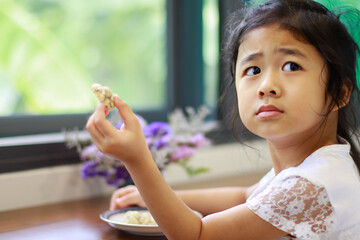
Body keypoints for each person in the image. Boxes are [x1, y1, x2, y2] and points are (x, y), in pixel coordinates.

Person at [86, 0, 360, 239]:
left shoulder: (314, 184)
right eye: (253, 69)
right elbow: (244, 197)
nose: (266, 85)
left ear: (339, 93)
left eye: (291, 66)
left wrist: (136, 159)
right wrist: (146, 197)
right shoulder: (309, 169)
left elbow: (197, 235)